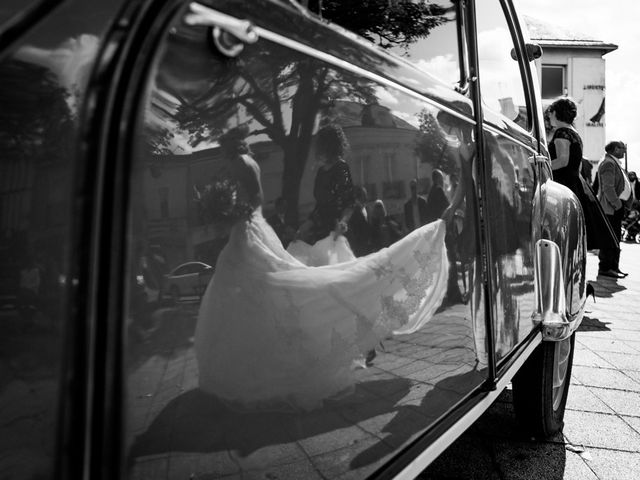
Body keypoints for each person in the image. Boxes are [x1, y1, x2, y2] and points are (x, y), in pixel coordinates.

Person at [194, 125, 449, 412]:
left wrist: (339, 225)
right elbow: (317, 204)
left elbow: (346, 201)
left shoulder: (338, 168)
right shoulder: (320, 171)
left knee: (339, 286)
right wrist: (307, 224)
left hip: (334, 233)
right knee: (322, 289)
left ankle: (359, 338)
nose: (316, 149)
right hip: (318, 229)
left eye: (320, 144)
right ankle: (345, 340)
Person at [547, 97, 618, 253]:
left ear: (556, 113)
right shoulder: (574, 133)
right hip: (576, 183)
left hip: (563, 183)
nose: (549, 116)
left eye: (550, 113)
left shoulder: (562, 132)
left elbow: (562, 161)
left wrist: (542, 166)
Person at [596, 140, 630, 278]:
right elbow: (608, 187)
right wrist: (617, 204)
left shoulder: (613, 162)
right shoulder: (609, 163)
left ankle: (613, 267)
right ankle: (606, 268)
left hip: (615, 206)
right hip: (611, 207)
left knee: (615, 237)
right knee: (609, 238)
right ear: (615, 149)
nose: (624, 151)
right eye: (622, 148)